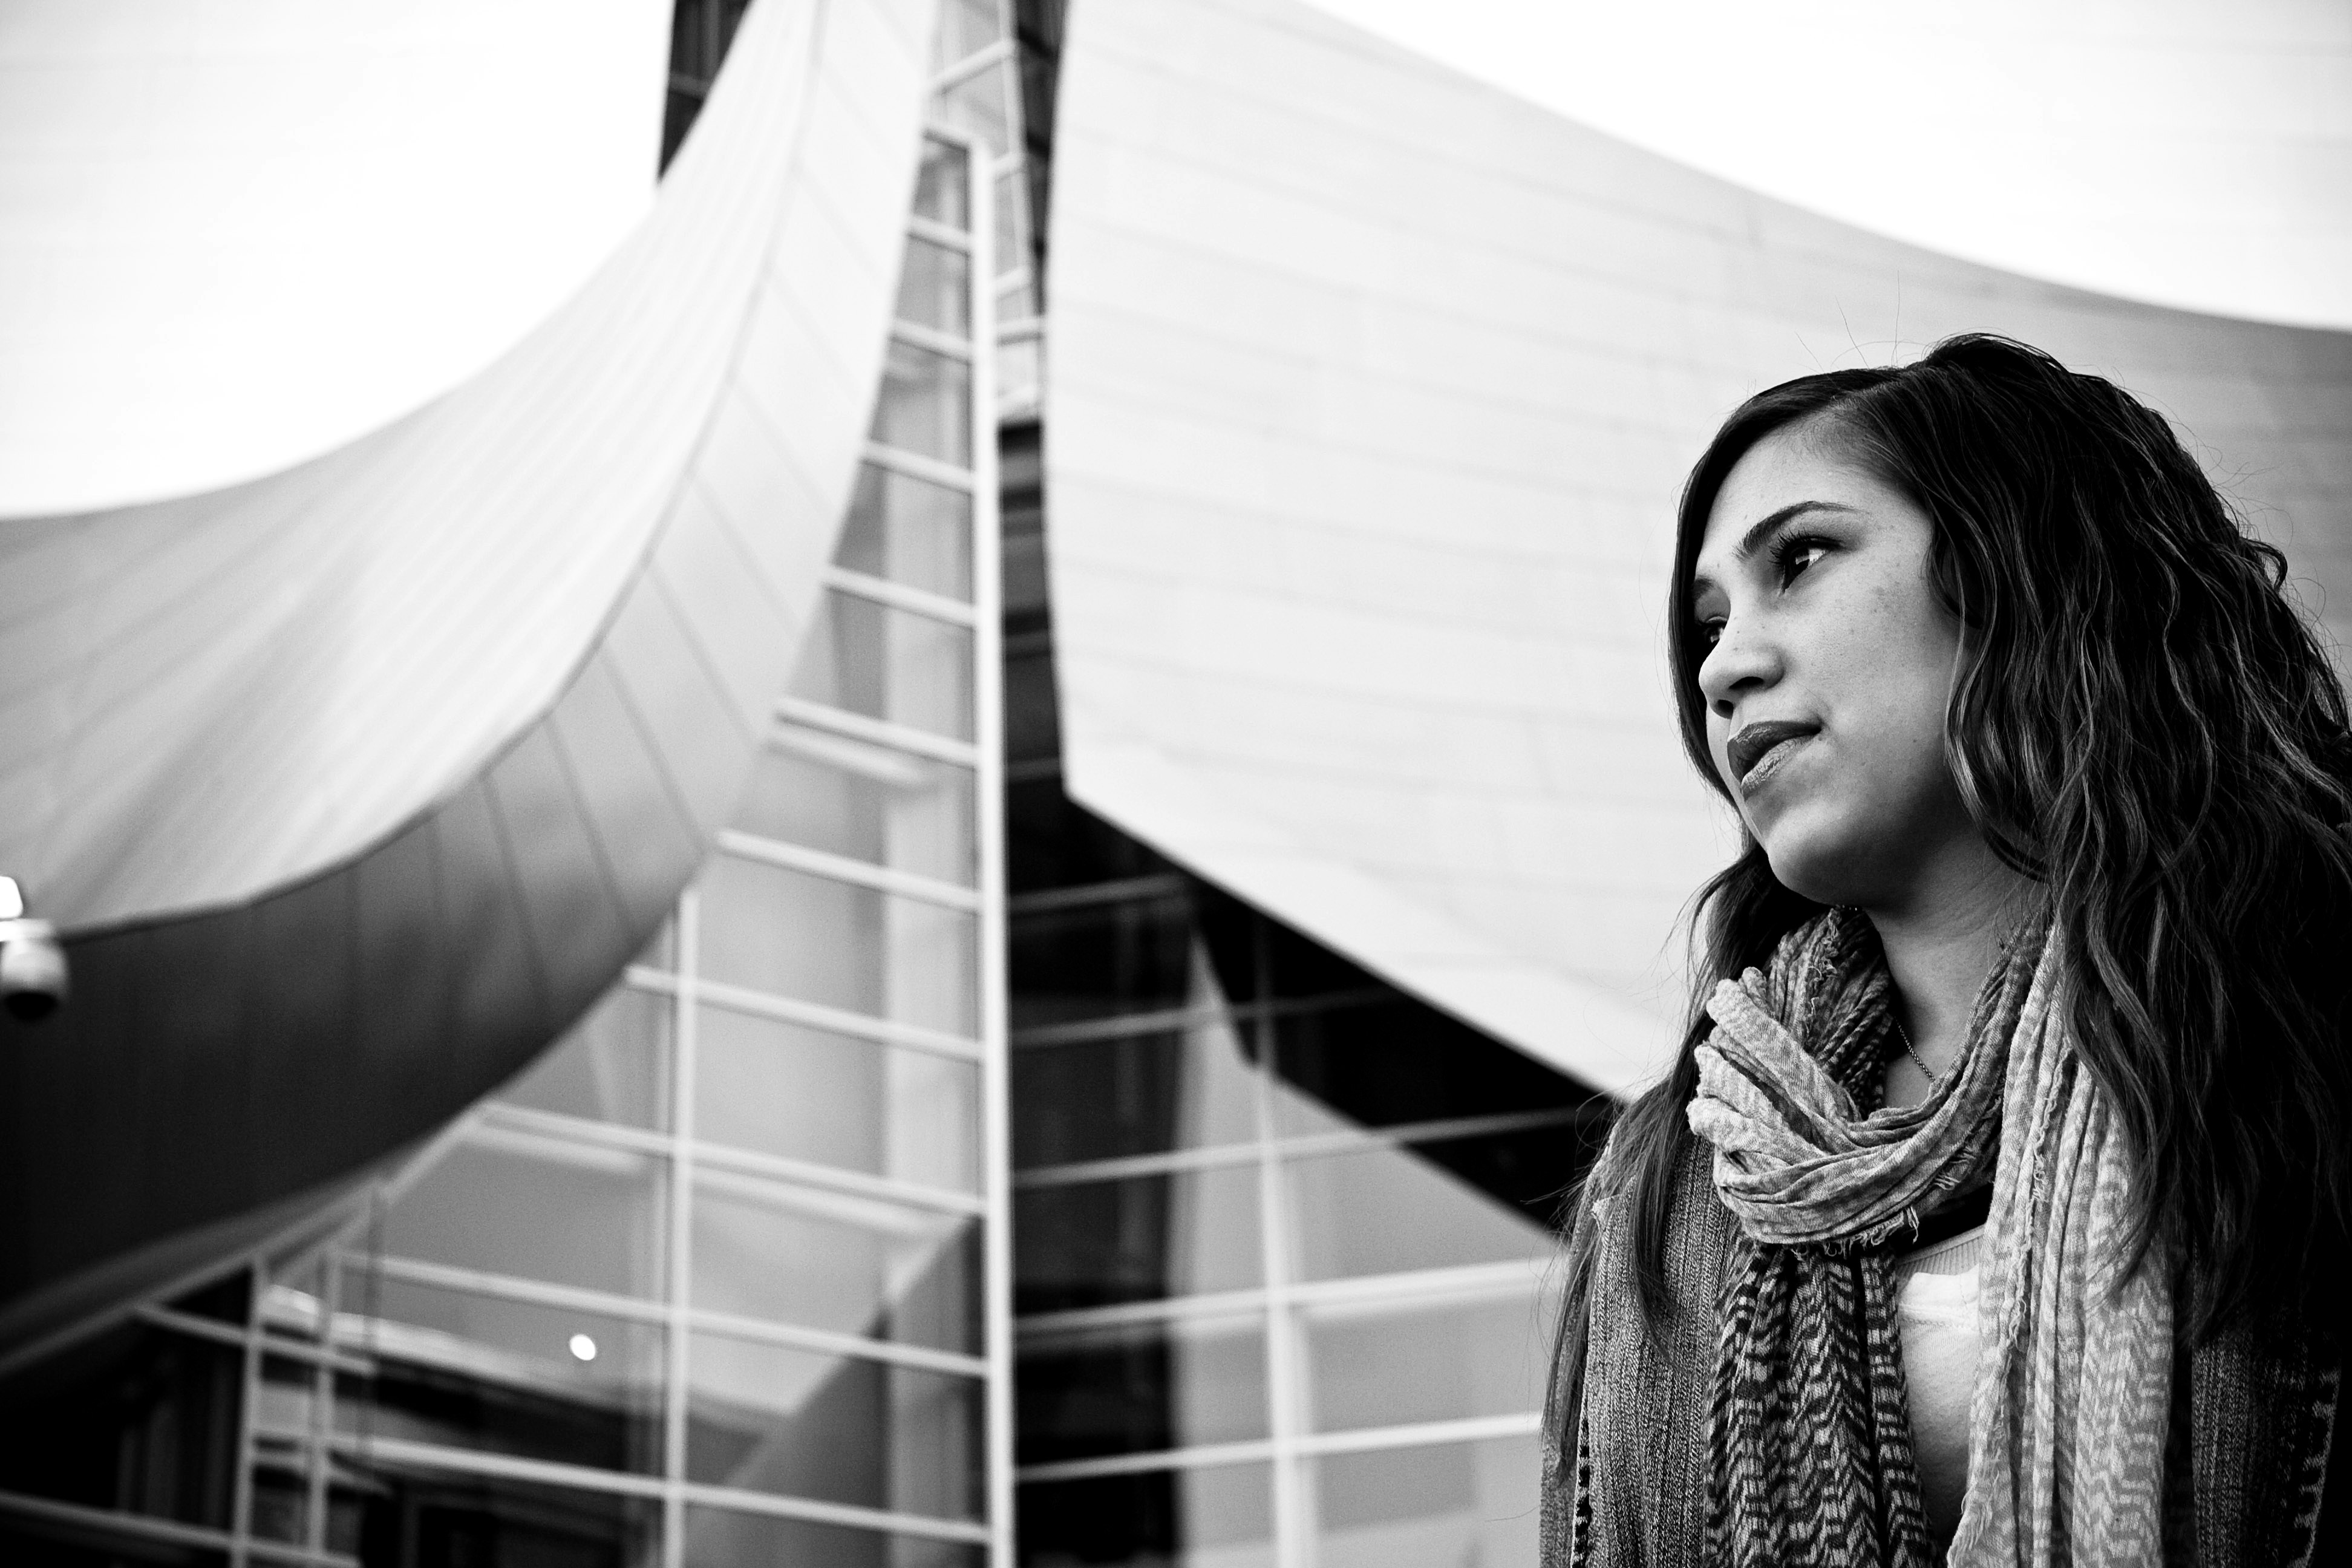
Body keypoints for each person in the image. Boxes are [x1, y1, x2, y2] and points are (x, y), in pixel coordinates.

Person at [1539, 335, 2350, 1566]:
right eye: (1706, 623)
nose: (1723, 665)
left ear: (2019, 566)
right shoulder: (1675, 1179)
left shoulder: (2299, 1027)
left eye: (1799, 561)